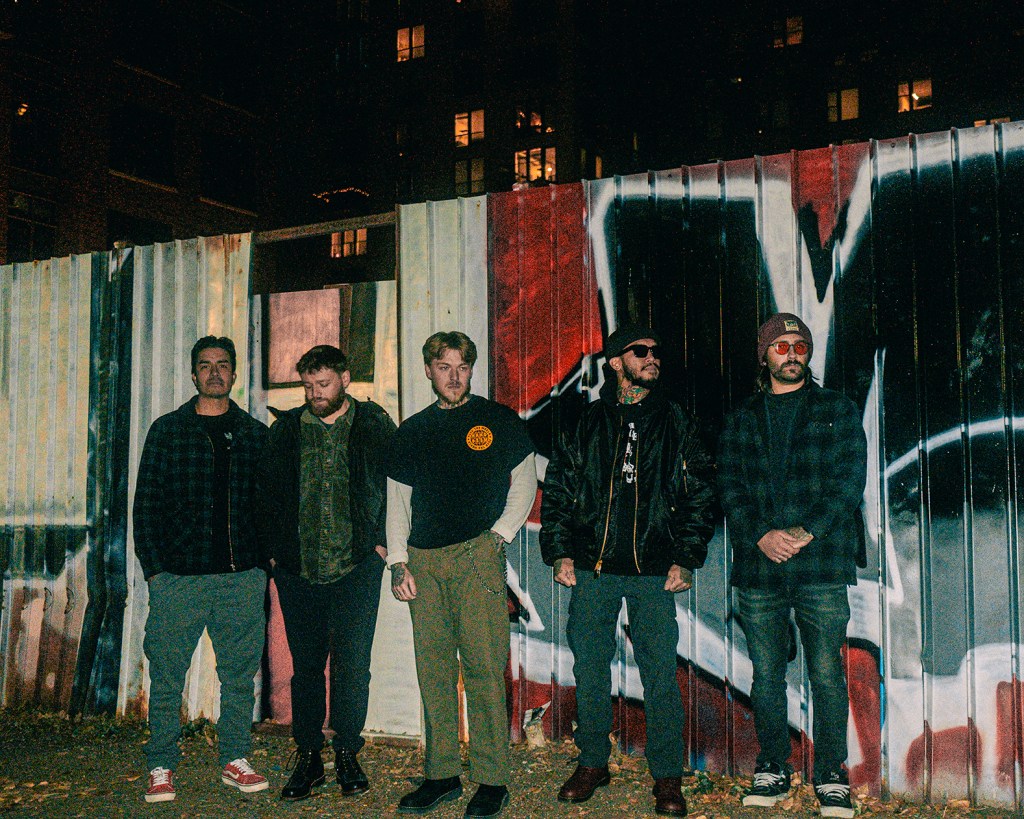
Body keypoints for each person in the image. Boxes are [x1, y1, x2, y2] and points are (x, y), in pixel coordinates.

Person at [539, 324, 715, 818]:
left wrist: (686, 556)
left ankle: (667, 777)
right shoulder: (588, 421)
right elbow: (559, 487)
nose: (652, 358)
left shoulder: (675, 420)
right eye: (641, 352)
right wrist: (560, 552)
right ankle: (593, 763)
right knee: (590, 669)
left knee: (659, 675)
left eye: (656, 351)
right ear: (617, 362)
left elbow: (701, 491)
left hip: (653, 572)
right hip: (593, 570)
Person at [717, 313, 866, 819]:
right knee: (766, 674)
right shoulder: (742, 417)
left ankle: (831, 774)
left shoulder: (836, 409)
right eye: (780, 346)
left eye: (799, 345)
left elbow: (849, 481)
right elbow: (729, 485)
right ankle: (772, 767)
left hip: (821, 565)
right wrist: (761, 534)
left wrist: (804, 533)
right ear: (765, 356)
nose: (791, 354)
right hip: (759, 567)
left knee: (826, 674)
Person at [386, 331, 536, 818]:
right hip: (424, 563)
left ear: (471, 370)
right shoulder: (412, 431)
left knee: (483, 669)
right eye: (444, 367)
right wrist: (398, 562)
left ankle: (491, 779)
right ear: (429, 371)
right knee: (433, 671)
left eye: (462, 367)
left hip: (476, 558)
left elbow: (525, 480)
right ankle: (442, 774)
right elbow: (397, 501)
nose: (454, 376)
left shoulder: (497, 421)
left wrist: (499, 535)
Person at [133, 336, 270, 804]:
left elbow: (269, 505)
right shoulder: (167, 431)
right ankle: (161, 765)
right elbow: (146, 505)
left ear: (234, 373)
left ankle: (235, 758)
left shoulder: (254, 435)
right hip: (179, 580)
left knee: (239, 676)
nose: (214, 373)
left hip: (240, 579)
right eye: (206, 365)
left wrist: (262, 564)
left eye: (223, 365)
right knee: (167, 675)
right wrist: (156, 571)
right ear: (193, 374)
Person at [259, 345, 396, 800]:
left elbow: (397, 485)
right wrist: (274, 553)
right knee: (306, 668)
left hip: (356, 567)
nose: (315, 393)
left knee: (353, 666)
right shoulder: (285, 430)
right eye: (309, 386)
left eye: (324, 384)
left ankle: (348, 751)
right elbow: (265, 494)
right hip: (298, 570)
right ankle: (309, 755)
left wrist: (382, 544)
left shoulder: (374, 424)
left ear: (345, 379)